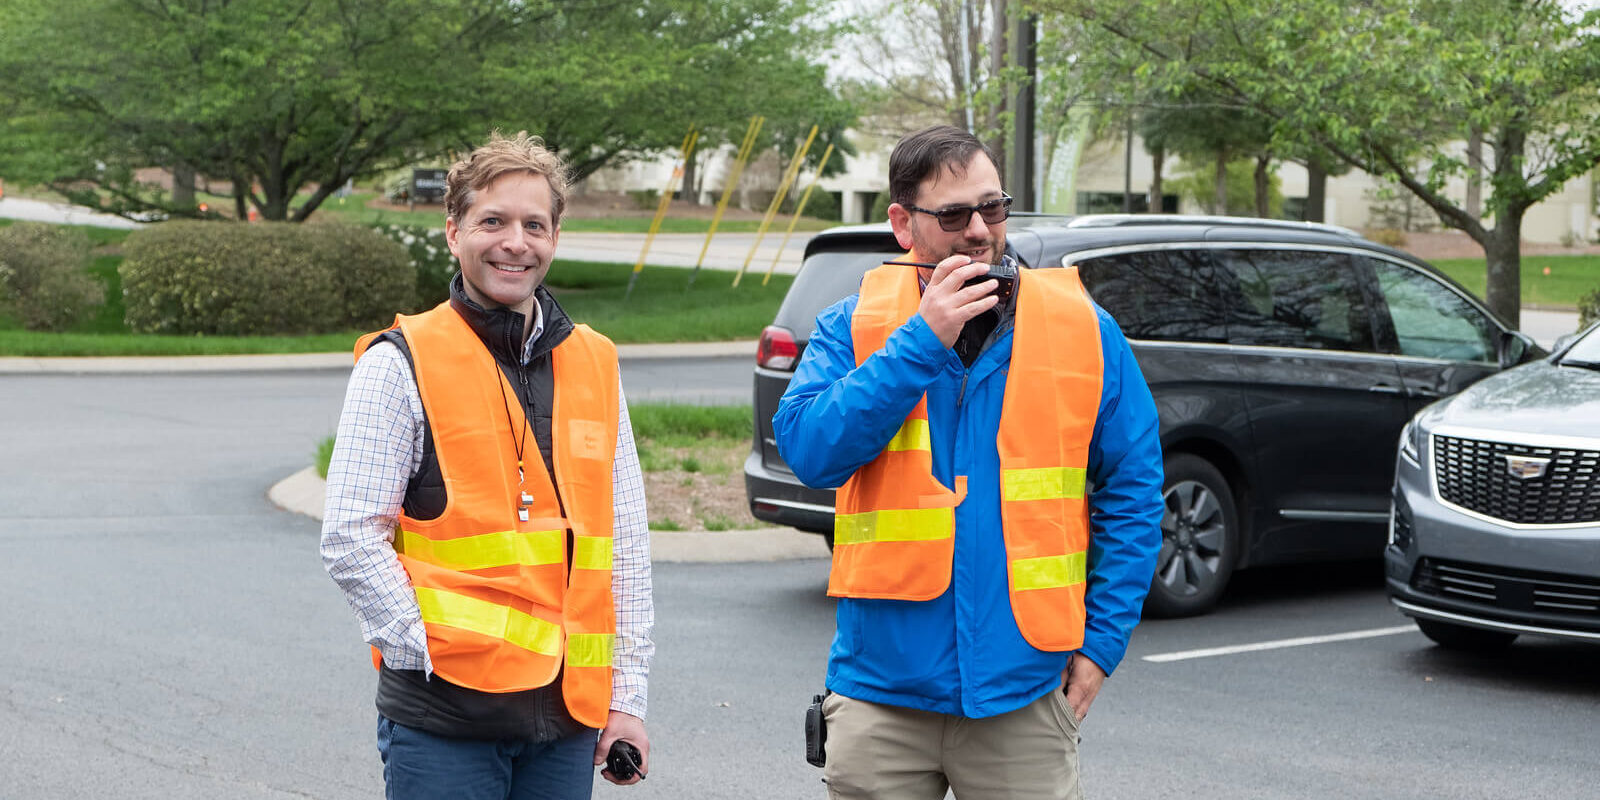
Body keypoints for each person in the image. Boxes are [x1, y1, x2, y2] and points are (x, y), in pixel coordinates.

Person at [773, 125, 1163, 800]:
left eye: (993, 207)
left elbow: (1135, 488)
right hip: (881, 699)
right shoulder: (856, 326)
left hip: (1022, 697)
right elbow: (809, 451)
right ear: (903, 223)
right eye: (953, 215)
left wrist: (1101, 646)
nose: (980, 229)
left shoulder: (1081, 328)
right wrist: (920, 341)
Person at [322, 131, 653, 799]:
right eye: (492, 221)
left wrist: (628, 699)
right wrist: (427, 651)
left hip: (566, 723)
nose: (515, 242)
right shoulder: (399, 363)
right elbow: (350, 536)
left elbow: (623, 549)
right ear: (453, 232)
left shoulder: (595, 362)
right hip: (445, 721)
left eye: (534, 224)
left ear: (555, 236)